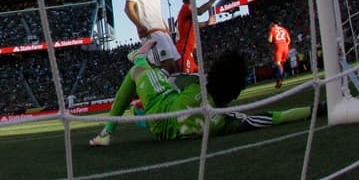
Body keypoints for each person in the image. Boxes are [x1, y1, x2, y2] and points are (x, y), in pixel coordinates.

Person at [88, 35, 309, 146]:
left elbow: (172, 78)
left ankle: (107, 132)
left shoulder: (195, 84)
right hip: (167, 132)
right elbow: (276, 117)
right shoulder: (226, 121)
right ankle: (140, 114)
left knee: (137, 70)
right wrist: (313, 109)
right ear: (236, 92)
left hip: (161, 108)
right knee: (154, 84)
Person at [175, 0, 223, 74]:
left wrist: (206, 23)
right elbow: (200, 11)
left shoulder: (184, 11)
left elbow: (194, 25)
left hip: (188, 53)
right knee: (187, 82)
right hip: (184, 52)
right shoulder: (187, 7)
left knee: (201, 79)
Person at [269, 22, 292, 88]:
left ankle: (279, 80)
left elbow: (270, 40)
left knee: (278, 64)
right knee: (281, 64)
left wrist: (274, 42)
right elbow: (289, 40)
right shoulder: (283, 29)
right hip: (286, 47)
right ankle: (280, 81)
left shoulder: (273, 29)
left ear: (272, 25)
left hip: (279, 47)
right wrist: (285, 45)